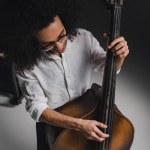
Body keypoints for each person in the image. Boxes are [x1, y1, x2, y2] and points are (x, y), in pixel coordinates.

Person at [0, 0, 129, 149]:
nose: (60, 47)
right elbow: (38, 108)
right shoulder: (26, 64)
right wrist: (78, 125)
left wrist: (118, 57)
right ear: (31, 42)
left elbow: (106, 68)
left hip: (87, 111)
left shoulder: (83, 37)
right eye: (48, 44)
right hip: (53, 121)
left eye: (62, 36)